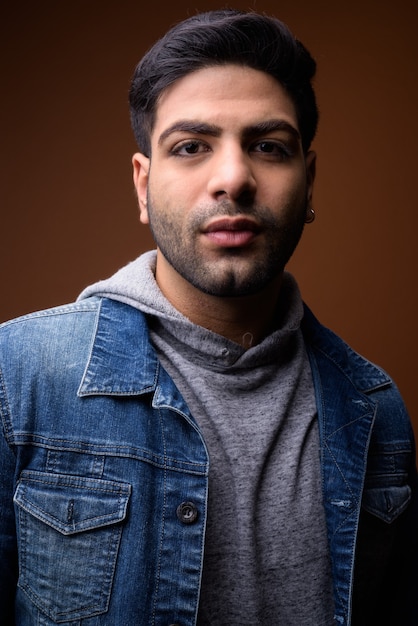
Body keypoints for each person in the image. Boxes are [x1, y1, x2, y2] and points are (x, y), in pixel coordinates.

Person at [0, 9, 417, 626]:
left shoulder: (375, 408)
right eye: (191, 147)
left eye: (268, 147)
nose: (233, 178)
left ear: (310, 184)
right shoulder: (16, 377)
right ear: (143, 186)